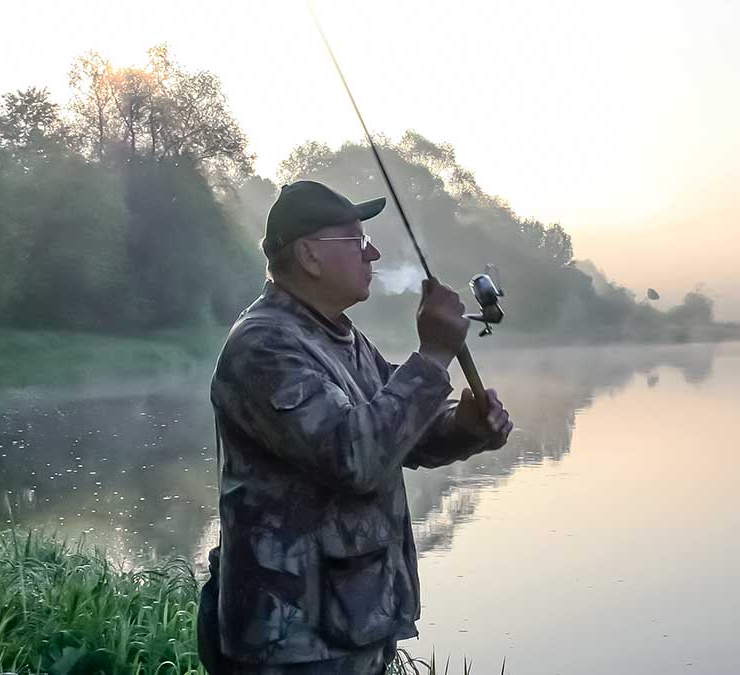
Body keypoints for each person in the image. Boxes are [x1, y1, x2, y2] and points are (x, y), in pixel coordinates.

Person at [198, 180, 513, 674]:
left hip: (349, 621)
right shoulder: (264, 347)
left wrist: (465, 427)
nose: (373, 252)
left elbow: (400, 433)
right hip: (292, 641)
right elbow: (354, 458)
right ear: (309, 256)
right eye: (355, 240)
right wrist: (433, 355)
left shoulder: (340, 337)